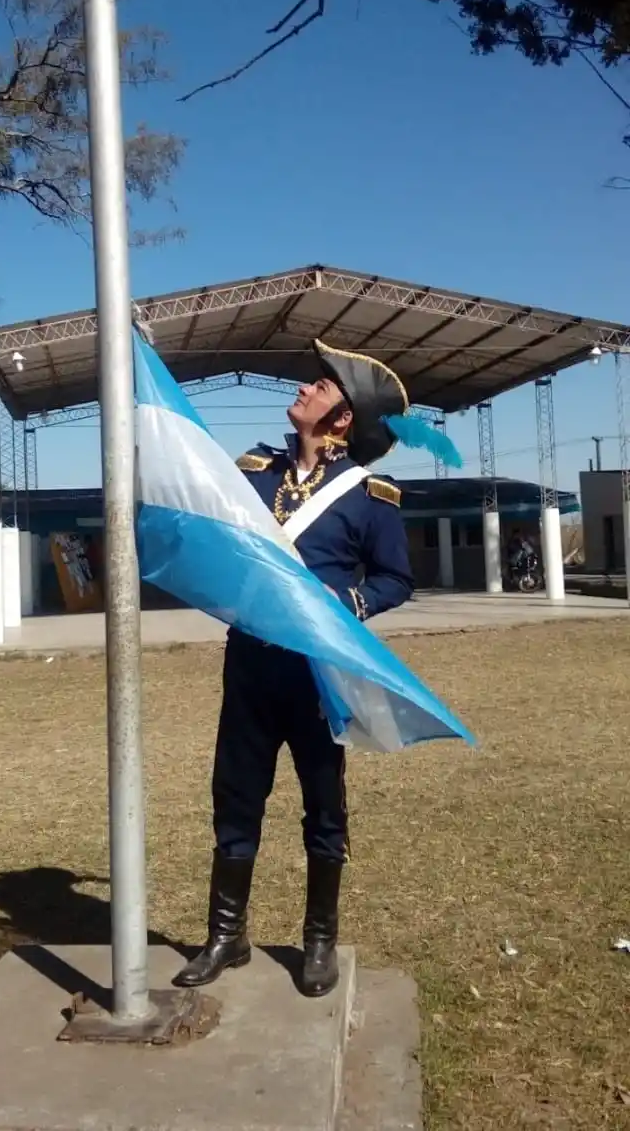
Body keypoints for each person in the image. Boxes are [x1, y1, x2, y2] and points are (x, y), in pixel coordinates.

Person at [172, 340, 416, 999]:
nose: (306, 390)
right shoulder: (253, 472)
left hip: (319, 675)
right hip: (251, 664)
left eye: (321, 387)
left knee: (323, 806)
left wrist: (350, 602)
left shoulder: (370, 496)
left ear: (343, 419)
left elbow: (396, 578)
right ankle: (226, 935)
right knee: (235, 795)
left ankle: (318, 941)